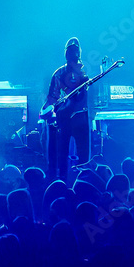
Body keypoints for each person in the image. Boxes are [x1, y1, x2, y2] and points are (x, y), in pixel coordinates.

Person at [43, 37, 90, 180]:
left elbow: (52, 98)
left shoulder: (79, 72)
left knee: (69, 155)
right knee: (68, 154)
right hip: (70, 118)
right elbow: (52, 98)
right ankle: (73, 180)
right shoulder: (64, 73)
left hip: (74, 117)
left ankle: (70, 180)